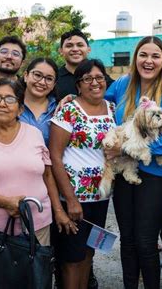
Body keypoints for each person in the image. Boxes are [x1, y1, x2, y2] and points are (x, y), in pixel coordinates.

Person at [0, 78, 72, 277]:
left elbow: (47, 174)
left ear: (20, 109)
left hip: (37, 225)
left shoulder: (34, 134)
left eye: (9, 99)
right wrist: (6, 202)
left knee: (34, 280)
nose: (1, 103)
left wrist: (58, 210)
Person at [104, 36, 162, 289]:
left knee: (146, 241)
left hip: (156, 175)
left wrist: (126, 148)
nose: (148, 61)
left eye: (155, 56)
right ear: (135, 57)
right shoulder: (122, 84)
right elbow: (96, 99)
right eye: (143, 55)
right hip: (125, 173)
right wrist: (71, 99)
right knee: (127, 239)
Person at [50, 59, 116, 289]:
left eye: (99, 78)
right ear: (78, 85)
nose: (95, 83)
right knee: (71, 257)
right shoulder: (69, 110)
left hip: (101, 196)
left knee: (89, 252)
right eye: (88, 79)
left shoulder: (112, 108)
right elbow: (55, 157)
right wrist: (70, 199)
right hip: (74, 197)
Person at [56, 29, 114, 102]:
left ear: (88, 49)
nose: (75, 49)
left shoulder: (101, 78)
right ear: (61, 51)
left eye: (80, 45)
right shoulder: (54, 79)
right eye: (69, 46)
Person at [20, 57, 58, 144]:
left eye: (49, 79)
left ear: (54, 84)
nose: (42, 82)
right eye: (37, 75)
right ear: (26, 76)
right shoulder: (8, 104)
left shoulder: (59, 110)